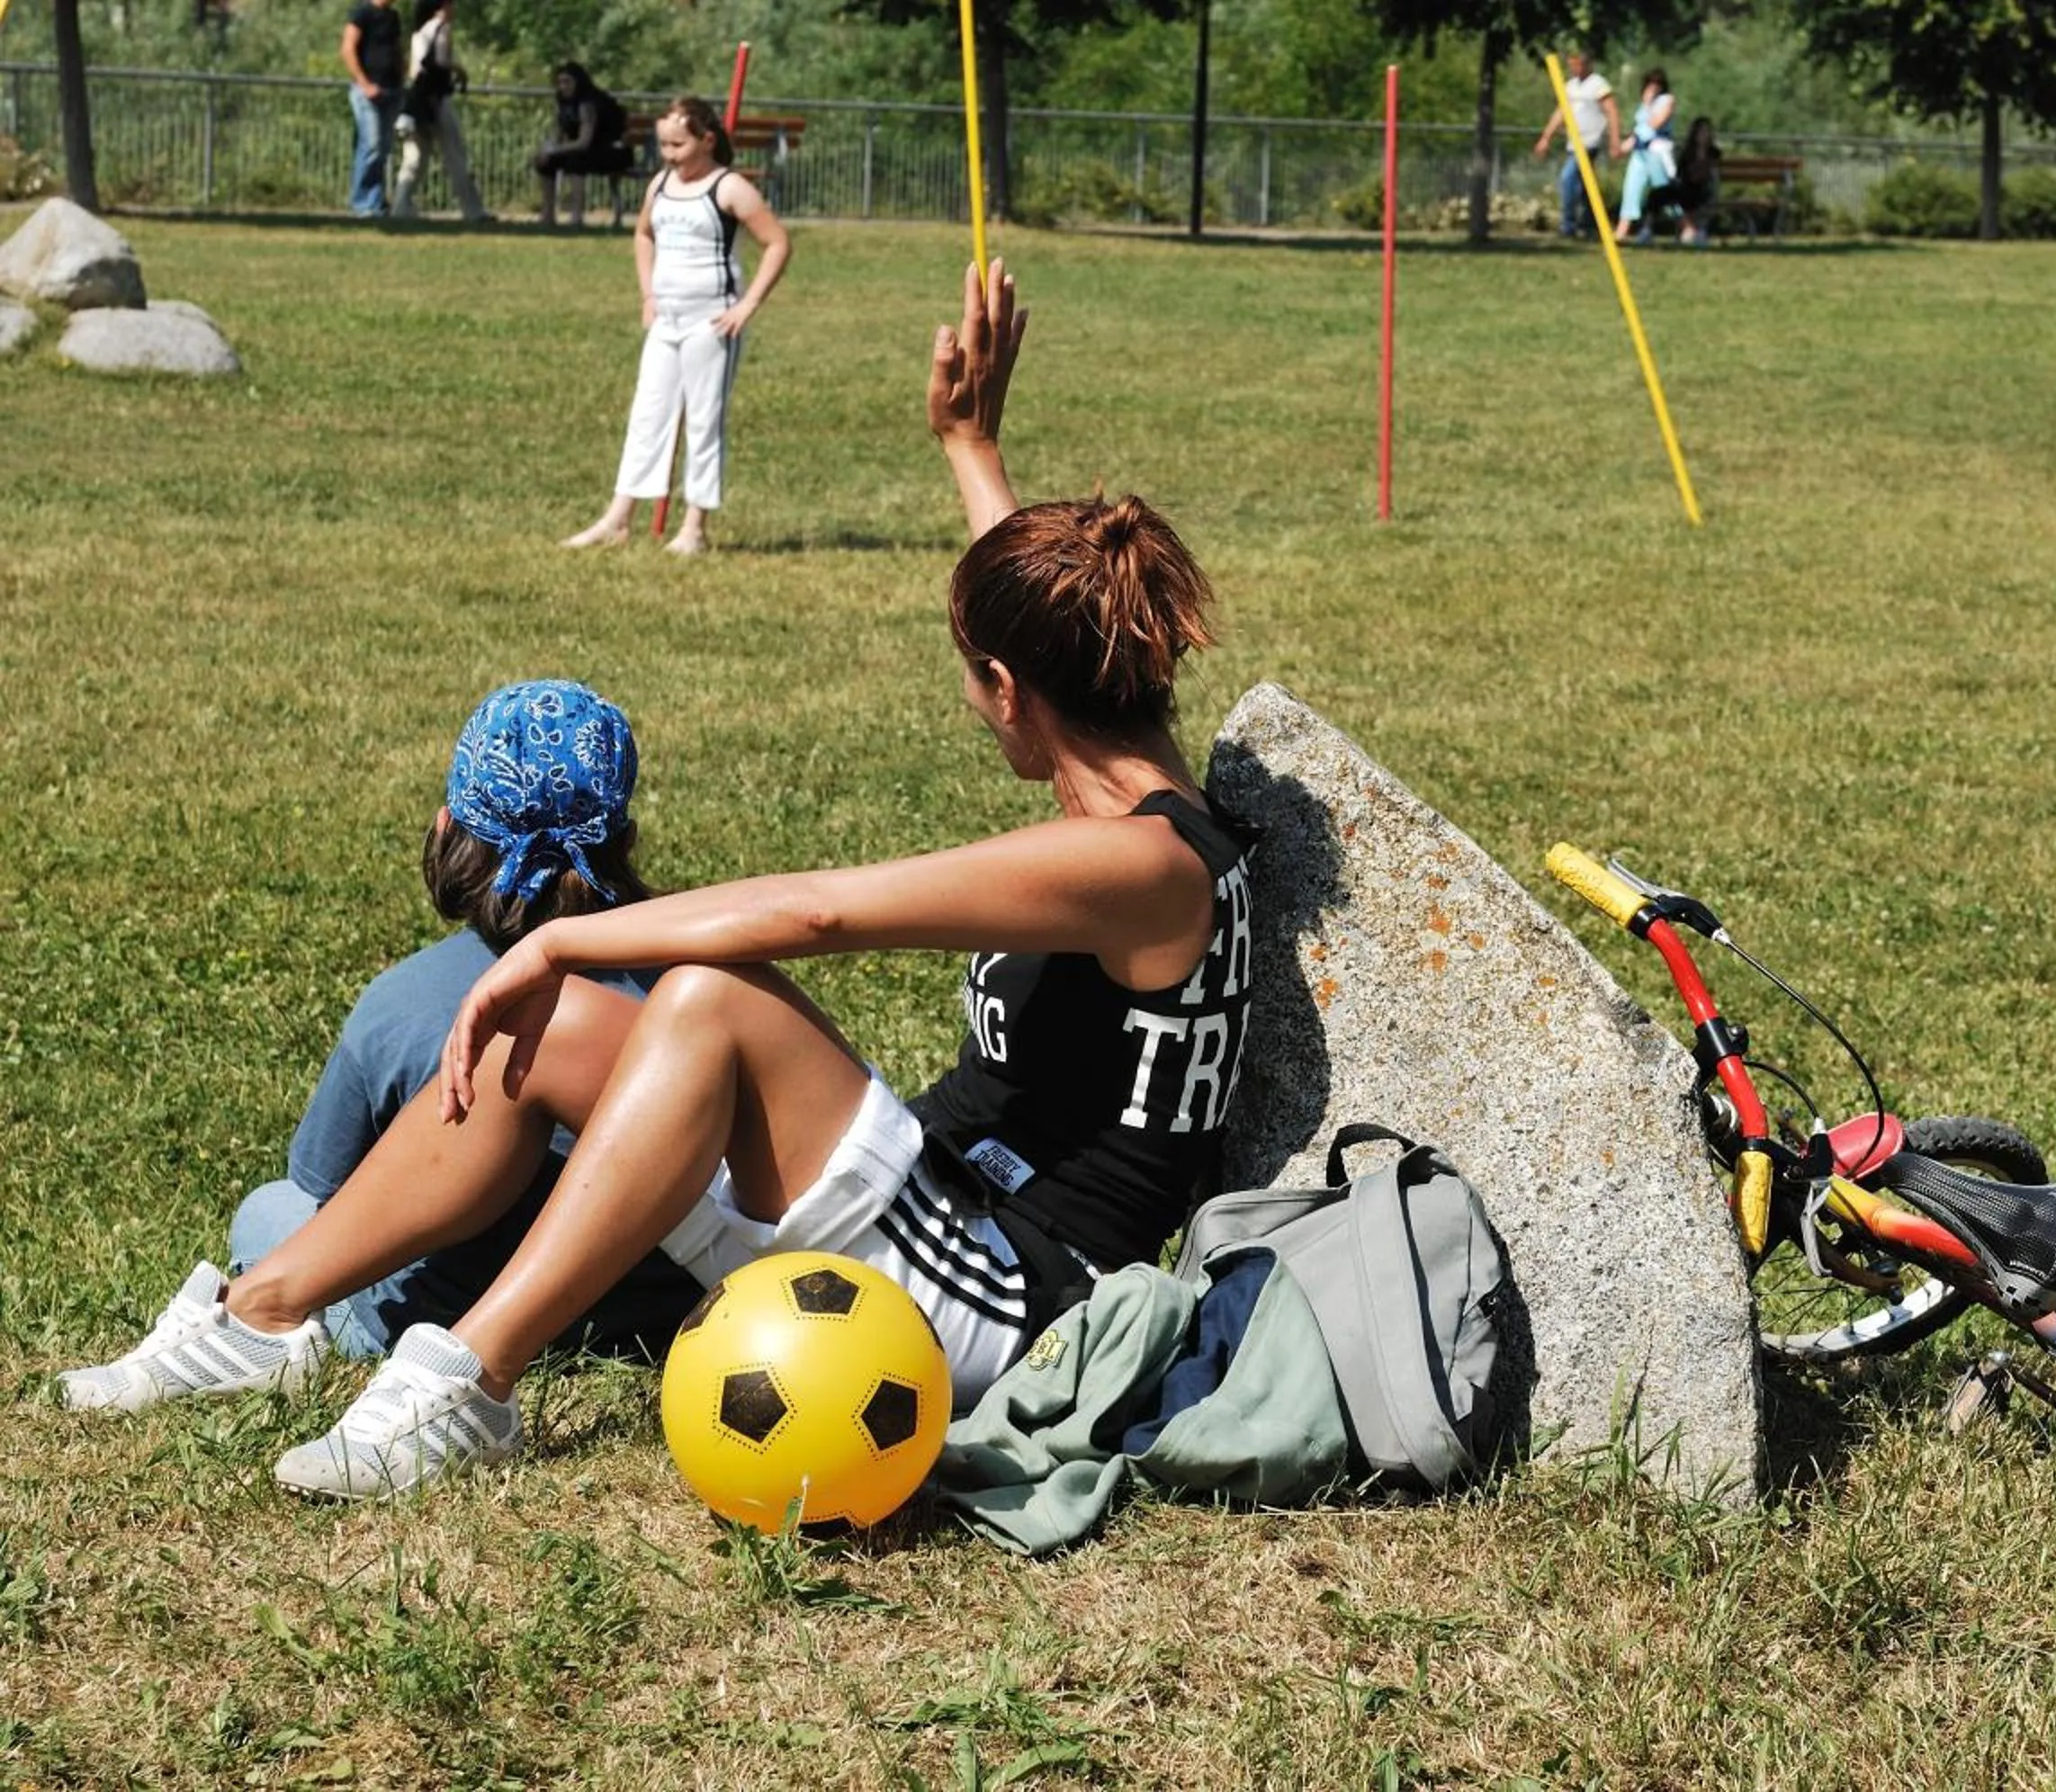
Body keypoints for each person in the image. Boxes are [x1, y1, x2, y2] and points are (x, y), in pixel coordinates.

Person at [61, 260, 1262, 1506]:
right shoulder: (1123, 803)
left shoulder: (1144, 866)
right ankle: (259, 1314)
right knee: (570, 1030)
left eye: (978, 686)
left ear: (1014, 691)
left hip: (1007, 1291)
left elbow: (817, 914)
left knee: (708, 994)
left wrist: (557, 941)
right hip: (931, 1218)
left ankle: (470, 1380)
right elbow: (1029, 627)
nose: (977, 709)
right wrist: (972, 447)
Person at [58, 680, 704, 1411]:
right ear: (622, 837)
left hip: (441, 1314)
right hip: (658, 1314)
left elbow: (324, 1185)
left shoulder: (407, 1000)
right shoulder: (700, 989)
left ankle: (256, 1324)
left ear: (450, 828)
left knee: (275, 1210)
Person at [562, 98, 792, 557]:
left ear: (707, 140)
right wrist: (648, 294)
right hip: (666, 321)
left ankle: (694, 529)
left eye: (678, 144)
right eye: (663, 144)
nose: (668, 154)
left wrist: (747, 305)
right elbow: (644, 235)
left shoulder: (729, 189)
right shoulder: (661, 185)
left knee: (705, 421)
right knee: (648, 415)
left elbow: (777, 243)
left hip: (712, 324)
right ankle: (619, 518)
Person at [389, 0, 488, 224]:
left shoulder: (419, 33)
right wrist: (457, 70)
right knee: (455, 154)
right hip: (437, 100)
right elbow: (439, 63)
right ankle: (472, 210)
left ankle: (401, 204)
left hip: (417, 101)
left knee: (414, 157)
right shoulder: (442, 28)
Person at [534, 62, 634, 228]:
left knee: (576, 161)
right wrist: (547, 150)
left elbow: (584, 141)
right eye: (559, 82)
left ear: (578, 82)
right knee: (545, 162)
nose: (563, 87)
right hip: (585, 150)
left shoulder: (588, 103)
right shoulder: (564, 103)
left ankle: (577, 215)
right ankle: (548, 215)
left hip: (612, 151)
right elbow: (558, 134)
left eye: (567, 82)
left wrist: (555, 149)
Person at [1531, 48, 1617, 241]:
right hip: (1574, 143)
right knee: (1587, 185)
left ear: (1587, 64)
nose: (1573, 69)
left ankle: (1568, 225)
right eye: (1571, 65)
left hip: (1589, 142)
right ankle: (1590, 224)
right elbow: (1561, 112)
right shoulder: (1570, 86)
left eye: (1576, 65)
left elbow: (1611, 111)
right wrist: (1546, 137)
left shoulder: (1598, 84)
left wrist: (1614, 139)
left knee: (1568, 178)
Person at [339, 0, 406, 220]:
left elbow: (398, 49)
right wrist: (364, 83)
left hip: (391, 90)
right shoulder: (361, 13)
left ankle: (375, 202)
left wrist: (402, 80)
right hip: (366, 92)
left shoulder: (393, 17)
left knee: (383, 148)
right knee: (372, 144)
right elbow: (348, 48)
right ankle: (363, 203)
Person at [1613, 68, 1678, 245]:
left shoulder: (1667, 101)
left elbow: (1655, 124)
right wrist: (1622, 148)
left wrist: (1649, 105)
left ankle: (1686, 226)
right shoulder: (1643, 105)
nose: (1653, 87)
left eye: (1657, 83)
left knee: (1663, 190)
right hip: (1640, 151)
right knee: (1631, 188)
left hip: (1657, 150)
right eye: (1650, 83)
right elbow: (1639, 131)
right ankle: (1622, 231)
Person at [1652, 116, 1722, 246]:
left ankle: (1691, 229)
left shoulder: (1714, 153)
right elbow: (1680, 174)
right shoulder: (1687, 153)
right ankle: (1687, 227)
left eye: (1706, 132)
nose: (1703, 135)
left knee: (1689, 195)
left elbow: (1712, 176)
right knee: (1659, 195)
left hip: (1704, 191)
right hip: (1687, 188)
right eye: (1701, 132)